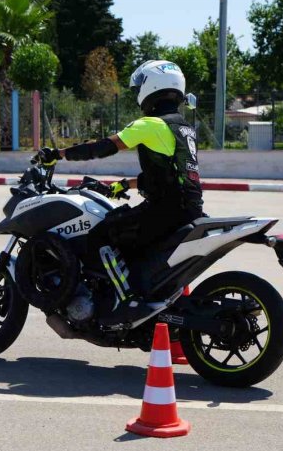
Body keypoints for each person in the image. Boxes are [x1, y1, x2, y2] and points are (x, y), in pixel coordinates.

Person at [36, 60, 205, 327]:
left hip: (165, 210)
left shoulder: (151, 124)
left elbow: (104, 147)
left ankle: (127, 302)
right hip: (188, 207)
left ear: (151, 87)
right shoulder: (182, 127)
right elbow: (167, 174)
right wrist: (124, 186)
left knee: (101, 236)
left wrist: (59, 154)